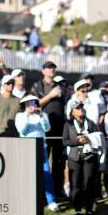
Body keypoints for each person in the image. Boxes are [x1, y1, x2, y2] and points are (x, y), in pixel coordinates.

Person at [15, 95, 59, 212]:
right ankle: (27, 200)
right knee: (27, 175)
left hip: (41, 148)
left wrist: (40, 116)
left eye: (33, 103)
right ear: (24, 105)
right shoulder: (20, 116)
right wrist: (27, 117)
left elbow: (47, 128)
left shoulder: (42, 115)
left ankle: (51, 201)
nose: (31, 105)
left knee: (46, 175)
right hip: (26, 148)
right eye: (29, 103)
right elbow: (22, 131)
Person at [31, 61, 68, 200]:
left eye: (53, 68)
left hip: (59, 129)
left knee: (59, 163)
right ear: (43, 71)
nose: (51, 70)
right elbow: (33, 105)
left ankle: (58, 191)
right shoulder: (37, 86)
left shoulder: (60, 86)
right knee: (43, 163)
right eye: (48, 68)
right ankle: (42, 193)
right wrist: (51, 95)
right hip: (44, 129)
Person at [62, 99, 103, 215]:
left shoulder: (90, 122)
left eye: (81, 107)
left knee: (89, 182)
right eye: (77, 108)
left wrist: (88, 138)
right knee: (76, 183)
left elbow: (99, 137)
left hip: (89, 156)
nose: (80, 109)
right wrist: (77, 141)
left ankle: (89, 209)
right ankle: (78, 210)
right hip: (74, 157)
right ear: (72, 112)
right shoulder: (68, 124)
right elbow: (65, 141)